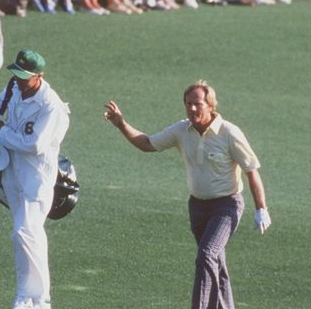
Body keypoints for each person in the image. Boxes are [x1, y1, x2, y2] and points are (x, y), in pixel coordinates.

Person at [103, 80, 272, 309]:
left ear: (210, 105)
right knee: (215, 263)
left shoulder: (229, 133)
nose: (192, 109)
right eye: (188, 104)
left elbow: (251, 170)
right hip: (198, 207)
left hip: (226, 206)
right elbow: (147, 144)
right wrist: (121, 124)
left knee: (206, 255)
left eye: (198, 104)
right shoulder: (182, 130)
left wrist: (261, 208)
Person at [0, 49, 71, 309]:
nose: (18, 79)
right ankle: (24, 296)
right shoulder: (15, 88)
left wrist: (1, 130)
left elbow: (35, 145)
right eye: (16, 74)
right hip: (12, 173)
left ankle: (41, 298)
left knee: (25, 232)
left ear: (39, 76)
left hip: (37, 177)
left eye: (24, 76)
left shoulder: (50, 105)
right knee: (23, 236)